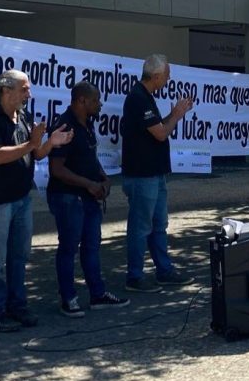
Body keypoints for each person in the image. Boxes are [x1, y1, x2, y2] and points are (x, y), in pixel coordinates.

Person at [0, 69, 73, 332]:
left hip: (21, 198)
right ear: (6, 90)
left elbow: (36, 154)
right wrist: (31, 144)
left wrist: (51, 142)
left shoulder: (23, 115)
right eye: (24, 89)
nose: (29, 93)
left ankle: (17, 306)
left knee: (19, 256)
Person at [47, 82, 129, 317]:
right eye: (95, 100)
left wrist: (102, 178)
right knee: (68, 248)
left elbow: (90, 157)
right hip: (69, 198)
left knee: (92, 246)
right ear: (81, 100)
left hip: (90, 198)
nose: (100, 104)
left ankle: (98, 294)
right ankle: (69, 298)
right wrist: (89, 184)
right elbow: (57, 169)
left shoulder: (88, 125)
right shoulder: (64, 125)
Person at [121, 54, 195, 291]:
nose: (168, 79)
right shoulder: (138, 98)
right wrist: (177, 115)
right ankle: (135, 275)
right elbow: (161, 133)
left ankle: (164, 270)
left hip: (154, 173)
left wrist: (171, 116)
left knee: (158, 225)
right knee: (141, 227)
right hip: (143, 175)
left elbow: (156, 127)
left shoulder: (145, 97)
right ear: (155, 76)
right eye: (166, 75)